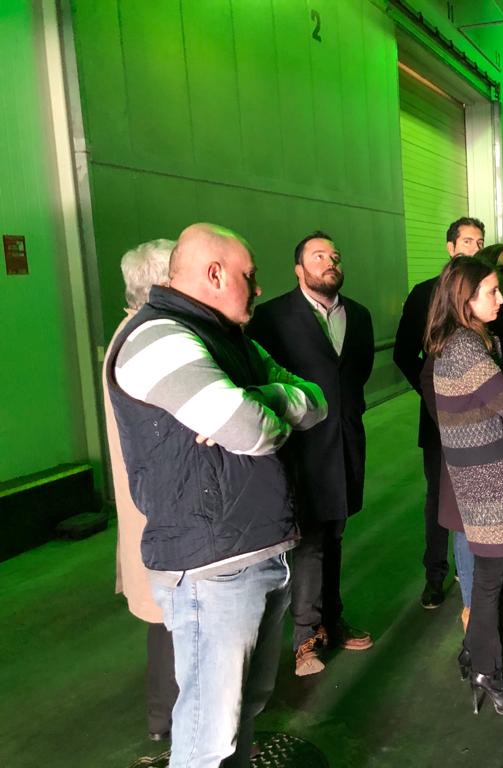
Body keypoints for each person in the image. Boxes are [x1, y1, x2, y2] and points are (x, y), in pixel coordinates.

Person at [107, 223, 327, 767]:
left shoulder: (229, 338)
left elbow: (316, 402)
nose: (258, 288)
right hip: (213, 566)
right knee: (210, 735)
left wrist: (256, 394)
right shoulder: (158, 338)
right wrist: (260, 408)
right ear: (215, 273)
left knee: (243, 711)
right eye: (249, 276)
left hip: (257, 550)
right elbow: (253, 430)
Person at [247, 231, 376, 677]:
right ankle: (305, 637)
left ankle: (332, 619)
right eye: (319, 256)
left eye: (335, 255)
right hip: (300, 450)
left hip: (345, 443)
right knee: (309, 541)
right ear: (299, 269)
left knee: (335, 534)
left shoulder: (358, 316)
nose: (330, 261)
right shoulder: (272, 318)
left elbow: (356, 375)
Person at [426, 256, 503, 715]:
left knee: (490, 580)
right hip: (488, 485)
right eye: (491, 291)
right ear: (464, 299)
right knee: (489, 584)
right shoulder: (467, 349)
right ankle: (488, 672)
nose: (501, 298)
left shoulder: (462, 342)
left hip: (481, 477)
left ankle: (473, 654)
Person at [102, 239, 178, 741]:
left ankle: (164, 718)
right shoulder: (148, 340)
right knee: (172, 620)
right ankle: (171, 721)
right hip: (161, 510)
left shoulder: (131, 332)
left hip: (151, 505)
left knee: (167, 618)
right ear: (164, 283)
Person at [393, 217, 486, 609]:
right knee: (439, 497)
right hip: (438, 420)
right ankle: (435, 573)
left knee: (477, 495)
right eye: (467, 241)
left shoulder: (486, 293)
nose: (474, 248)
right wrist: (436, 395)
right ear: (450, 248)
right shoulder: (425, 294)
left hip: (479, 421)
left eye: (479, 242)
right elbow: (403, 353)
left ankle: (474, 571)